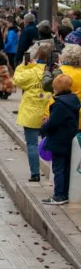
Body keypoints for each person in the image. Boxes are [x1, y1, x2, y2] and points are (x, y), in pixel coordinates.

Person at [14, 43, 54, 183]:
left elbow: (17, 79)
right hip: (50, 112)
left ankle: (35, 173)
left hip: (31, 112)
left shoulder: (31, 71)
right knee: (52, 143)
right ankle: (53, 175)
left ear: (37, 55)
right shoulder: (56, 72)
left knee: (32, 144)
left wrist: (24, 65)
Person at [40, 74, 81, 205]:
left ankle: (59, 195)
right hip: (68, 138)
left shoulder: (60, 104)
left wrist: (43, 127)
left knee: (58, 168)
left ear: (56, 88)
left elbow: (53, 123)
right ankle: (65, 193)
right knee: (66, 167)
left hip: (58, 140)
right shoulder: (73, 100)